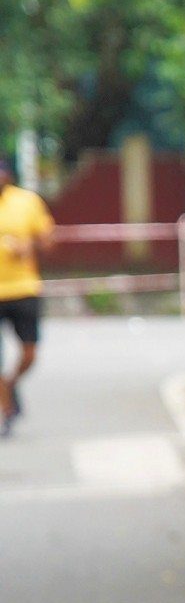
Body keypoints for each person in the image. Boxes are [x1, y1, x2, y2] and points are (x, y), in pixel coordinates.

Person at [0, 156, 56, 434]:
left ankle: (10, 384)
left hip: (23, 288)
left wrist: (28, 246)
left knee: (30, 352)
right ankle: (7, 408)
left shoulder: (27, 201)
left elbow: (47, 239)